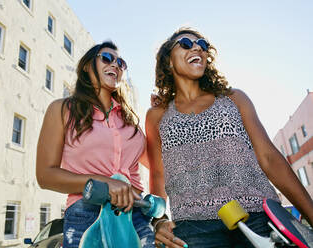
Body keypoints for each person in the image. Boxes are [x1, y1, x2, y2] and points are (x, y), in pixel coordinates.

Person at [145, 27, 313, 248]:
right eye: (186, 43)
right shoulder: (157, 116)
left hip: (258, 217)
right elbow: (158, 174)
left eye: (203, 45)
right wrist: (159, 221)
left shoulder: (234, 98)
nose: (197, 47)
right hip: (192, 228)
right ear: (168, 61)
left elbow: (269, 158)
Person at [36, 41, 155, 248]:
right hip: (87, 213)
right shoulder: (62, 110)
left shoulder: (130, 121)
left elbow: (159, 165)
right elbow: (45, 175)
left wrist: (161, 115)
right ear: (86, 66)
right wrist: (106, 183)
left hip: (136, 215)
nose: (116, 65)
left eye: (121, 63)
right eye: (107, 58)